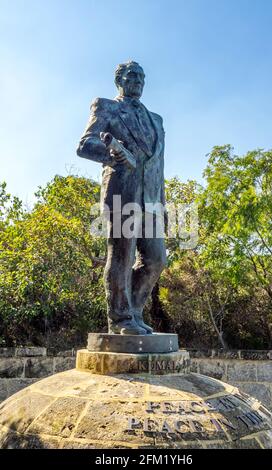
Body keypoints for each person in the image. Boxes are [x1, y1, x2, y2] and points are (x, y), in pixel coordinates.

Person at [77, 61, 167, 335]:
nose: (138, 80)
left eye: (142, 76)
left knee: (157, 260)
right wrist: (114, 155)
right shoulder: (107, 107)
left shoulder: (157, 120)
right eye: (132, 75)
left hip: (150, 199)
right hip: (121, 194)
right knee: (122, 257)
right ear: (119, 80)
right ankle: (120, 319)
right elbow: (84, 145)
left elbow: (158, 164)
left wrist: (162, 205)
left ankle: (135, 312)